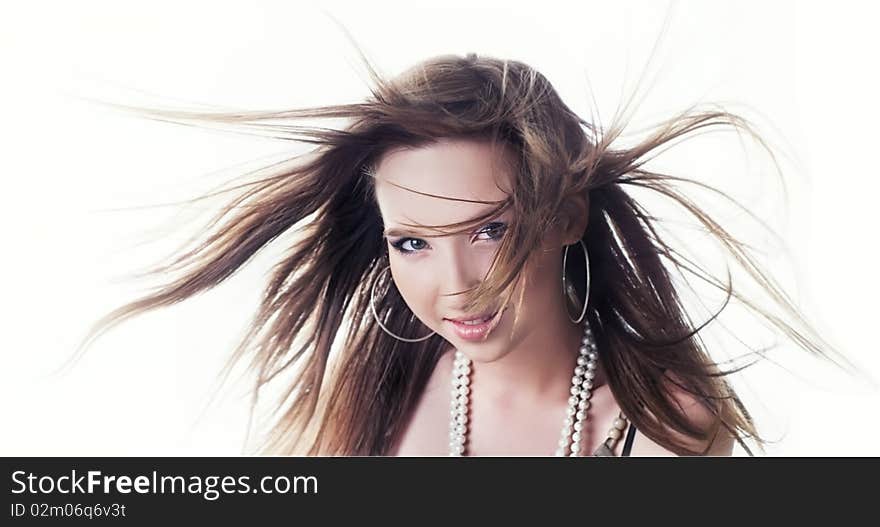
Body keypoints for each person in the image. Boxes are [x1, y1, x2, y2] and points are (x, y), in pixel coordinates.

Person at [71, 52, 851, 456]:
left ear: (567, 215)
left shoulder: (659, 420)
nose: (457, 288)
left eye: (490, 230)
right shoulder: (376, 389)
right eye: (412, 242)